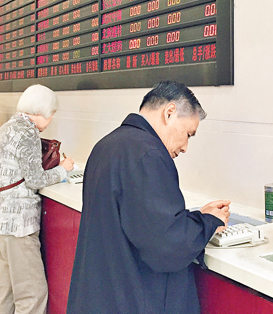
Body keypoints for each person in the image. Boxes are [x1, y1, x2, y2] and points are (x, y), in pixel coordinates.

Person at [67, 81, 231, 314]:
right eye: (188, 134)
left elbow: (142, 221)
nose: (185, 147)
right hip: (135, 299)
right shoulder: (149, 155)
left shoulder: (107, 145)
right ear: (169, 112)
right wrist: (209, 222)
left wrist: (196, 217)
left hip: (103, 294)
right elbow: (167, 245)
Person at [0, 84, 74, 314]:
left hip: (1, 219)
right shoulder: (27, 132)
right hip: (19, 223)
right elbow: (35, 179)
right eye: (52, 112)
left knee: (7, 288)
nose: (52, 118)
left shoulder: (9, 126)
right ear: (41, 110)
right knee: (32, 293)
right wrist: (63, 170)